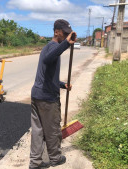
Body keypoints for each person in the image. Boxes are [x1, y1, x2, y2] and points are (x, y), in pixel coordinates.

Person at [29, 19, 76, 169]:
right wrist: (66, 44)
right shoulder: (53, 47)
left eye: (69, 34)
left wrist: (62, 85)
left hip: (37, 95)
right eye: (65, 34)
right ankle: (55, 158)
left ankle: (35, 162)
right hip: (47, 99)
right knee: (53, 130)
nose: (67, 36)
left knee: (38, 131)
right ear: (56, 32)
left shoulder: (49, 47)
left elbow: (48, 75)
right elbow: (50, 58)